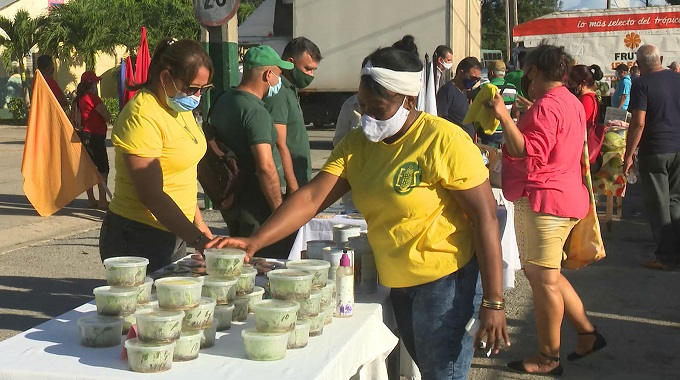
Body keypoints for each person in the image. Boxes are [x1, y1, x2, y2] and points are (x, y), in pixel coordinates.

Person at [208, 46, 510, 380]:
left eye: (377, 108)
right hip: (398, 282)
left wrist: (494, 302)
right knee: (427, 369)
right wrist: (254, 242)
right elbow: (311, 198)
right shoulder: (357, 144)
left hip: (446, 284)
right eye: (361, 106)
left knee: (444, 374)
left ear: (407, 100)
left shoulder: (443, 140)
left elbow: (485, 217)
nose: (366, 117)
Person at [484, 44, 607, 376]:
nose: (525, 77)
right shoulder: (569, 100)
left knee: (543, 279)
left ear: (535, 71)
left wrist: (504, 117)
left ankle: (548, 358)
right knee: (549, 275)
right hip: (567, 196)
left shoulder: (545, 108)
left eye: (527, 72)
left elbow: (526, 151)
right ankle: (586, 334)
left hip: (544, 200)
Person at [99, 38, 215, 272]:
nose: (197, 95)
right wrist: (200, 241)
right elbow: (151, 195)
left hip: (177, 229)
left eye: (204, 89)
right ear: (165, 78)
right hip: (139, 235)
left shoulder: (177, 108)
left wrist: (200, 227)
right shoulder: (142, 116)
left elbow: (182, 173)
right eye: (192, 88)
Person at [211, 45, 297, 260]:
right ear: (268, 75)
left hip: (232, 201)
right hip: (257, 209)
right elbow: (265, 166)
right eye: (278, 74)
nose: (279, 81)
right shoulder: (256, 112)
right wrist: (279, 212)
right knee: (264, 266)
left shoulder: (223, 100)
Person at [624, 44, 680, 271]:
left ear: (638, 65)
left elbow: (638, 123)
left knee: (659, 205)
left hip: (656, 149)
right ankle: (676, 251)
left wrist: (629, 154)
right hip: (678, 148)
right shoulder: (677, 79)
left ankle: (665, 256)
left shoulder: (641, 84)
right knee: (675, 201)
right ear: (662, 59)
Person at [264, 37, 322, 193]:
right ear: (290, 61)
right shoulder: (278, 92)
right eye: (308, 69)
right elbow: (279, 142)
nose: (310, 75)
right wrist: (292, 184)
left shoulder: (290, 89)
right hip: (287, 184)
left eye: (313, 70)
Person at [74, 71, 112, 209]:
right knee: (103, 168)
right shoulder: (92, 98)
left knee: (88, 168)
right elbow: (107, 116)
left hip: (83, 136)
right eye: (96, 82)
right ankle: (102, 200)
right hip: (95, 136)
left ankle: (91, 199)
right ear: (92, 84)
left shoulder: (78, 98)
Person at [436, 56, 482, 139]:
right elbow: (440, 120)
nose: (475, 82)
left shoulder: (463, 91)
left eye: (477, 80)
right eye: (473, 78)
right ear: (461, 73)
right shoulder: (447, 91)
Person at [568, 64, 605, 164]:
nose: (569, 87)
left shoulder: (586, 99)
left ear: (583, 83)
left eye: (571, 83)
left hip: (583, 146)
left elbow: (579, 123)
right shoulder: (592, 97)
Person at [476, 60, 516, 147]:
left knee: (489, 157)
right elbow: (514, 109)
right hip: (505, 130)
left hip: (488, 131)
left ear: (492, 72)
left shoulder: (484, 87)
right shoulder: (512, 88)